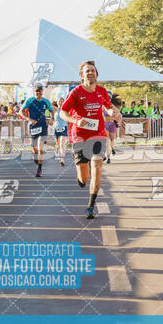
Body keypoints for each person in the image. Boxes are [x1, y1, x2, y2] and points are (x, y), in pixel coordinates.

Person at [60, 60, 122, 219]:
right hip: (79, 135)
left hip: (98, 134)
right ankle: (81, 177)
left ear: (97, 74)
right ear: (82, 75)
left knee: (97, 166)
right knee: (84, 177)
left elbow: (107, 107)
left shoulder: (102, 91)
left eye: (93, 70)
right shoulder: (75, 92)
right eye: (87, 71)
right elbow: (63, 112)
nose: (90, 73)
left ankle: (90, 206)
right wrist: (75, 120)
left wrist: (111, 112)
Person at [19, 83, 53, 177]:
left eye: (40, 91)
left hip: (42, 126)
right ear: (34, 92)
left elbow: (51, 110)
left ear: (42, 91)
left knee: (41, 148)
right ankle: (36, 158)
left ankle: (39, 169)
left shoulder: (46, 101)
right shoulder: (30, 100)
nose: (38, 92)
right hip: (33, 127)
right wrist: (29, 119)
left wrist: (52, 119)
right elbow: (21, 111)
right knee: (35, 149)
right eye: (37, 91)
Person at [53, 97, 68, 166]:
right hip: (56, 128)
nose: (60, 102)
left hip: (63, 128)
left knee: (62, 144)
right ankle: (57, 151)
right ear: (57, 102)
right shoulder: (55, 109)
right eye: (59, 101)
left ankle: (62, 159)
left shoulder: (66, 110)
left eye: (62, 101)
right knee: (58, 144)